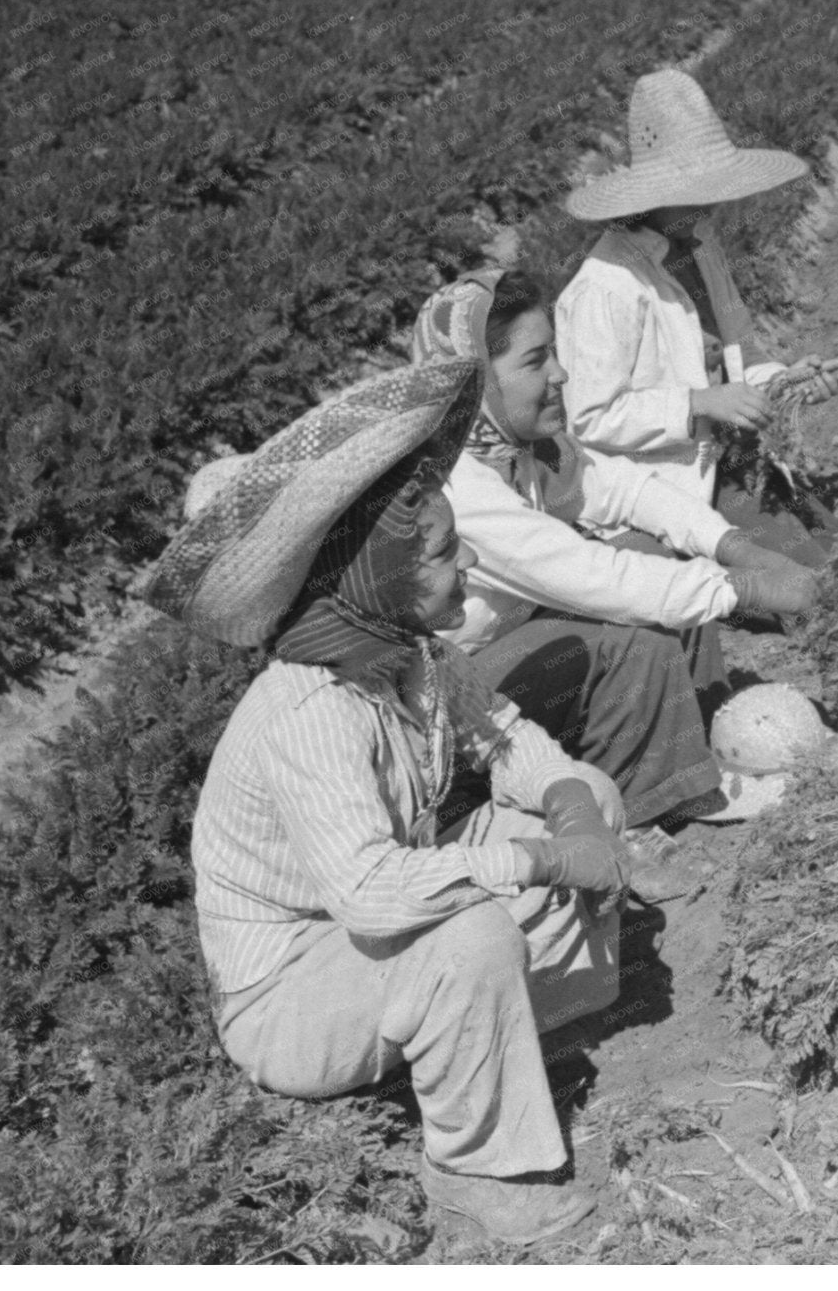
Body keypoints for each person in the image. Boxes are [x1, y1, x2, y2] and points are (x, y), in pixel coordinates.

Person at [143, 357, 629, 1245]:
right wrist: (541, 857)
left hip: (365, 929)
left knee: (588, 791)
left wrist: (570, 803)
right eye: (443, 551)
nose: (467, 560)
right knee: (470, 931)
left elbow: (506, 736)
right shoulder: (311, 709)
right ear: (381, 573)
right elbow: (370, 893)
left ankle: (511, 1041)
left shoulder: (410, 653)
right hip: (293, 989)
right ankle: (476, 1172)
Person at [412, 269, 816, 856]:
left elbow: (624, 489)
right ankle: (639, 813)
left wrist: (732, 546)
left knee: (662, 556)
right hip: (462, 713)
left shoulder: (518, 448)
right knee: (635, 631)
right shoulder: (460, 486)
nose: (560, 374)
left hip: (525, 651)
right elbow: (592, 578)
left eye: (553, 353)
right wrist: (747, 590)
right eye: (535, 362)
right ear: (476, 385)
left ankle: (693, 731)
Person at [557, 67, 837, 568]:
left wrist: (787, 380)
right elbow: (590, 417)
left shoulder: (700, 247)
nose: (713, 205)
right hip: (664, 490)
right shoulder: (605, 287)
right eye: (700, 193)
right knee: (812, 587)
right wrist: (700, 403)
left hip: (729, 464)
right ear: (655, 197)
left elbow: (741, 354)